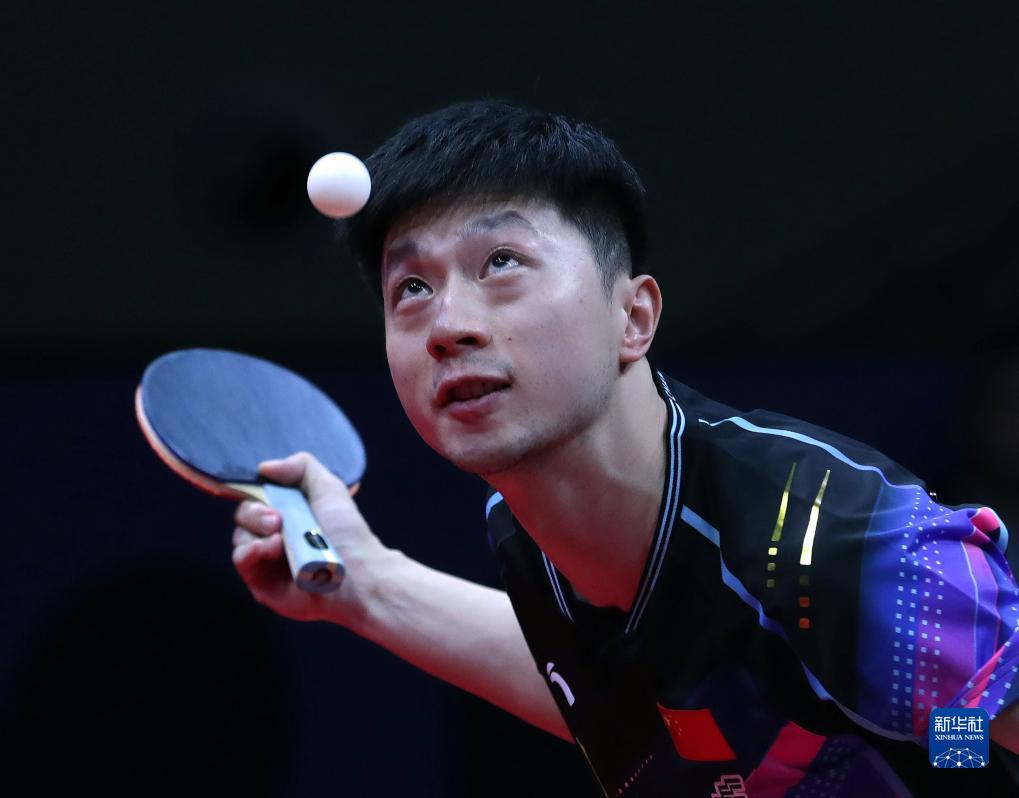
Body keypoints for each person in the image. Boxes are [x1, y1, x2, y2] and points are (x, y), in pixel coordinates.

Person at [230, 100, 1019, 795]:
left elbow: (974, 723)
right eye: (412, 288)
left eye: (500, 262)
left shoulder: (833, 551)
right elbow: (622, 699)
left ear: (632, 318)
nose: (448, 327)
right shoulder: (531, 531)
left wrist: (952, 741)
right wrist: (365, 584)